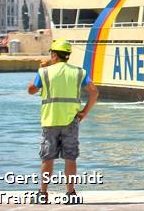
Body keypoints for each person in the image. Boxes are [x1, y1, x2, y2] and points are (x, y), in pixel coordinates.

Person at [27, 39, 98, 204]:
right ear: (68, 56)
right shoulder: (80, 72)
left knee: (47, 158)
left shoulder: (44, 72)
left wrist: (40, 72)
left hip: (50, 120)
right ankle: (70, 193)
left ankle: (43, 194)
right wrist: (84, 112)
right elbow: (94, 92)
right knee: (70, 157)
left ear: (53, 54)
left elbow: (31, 91)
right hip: (71, 121)